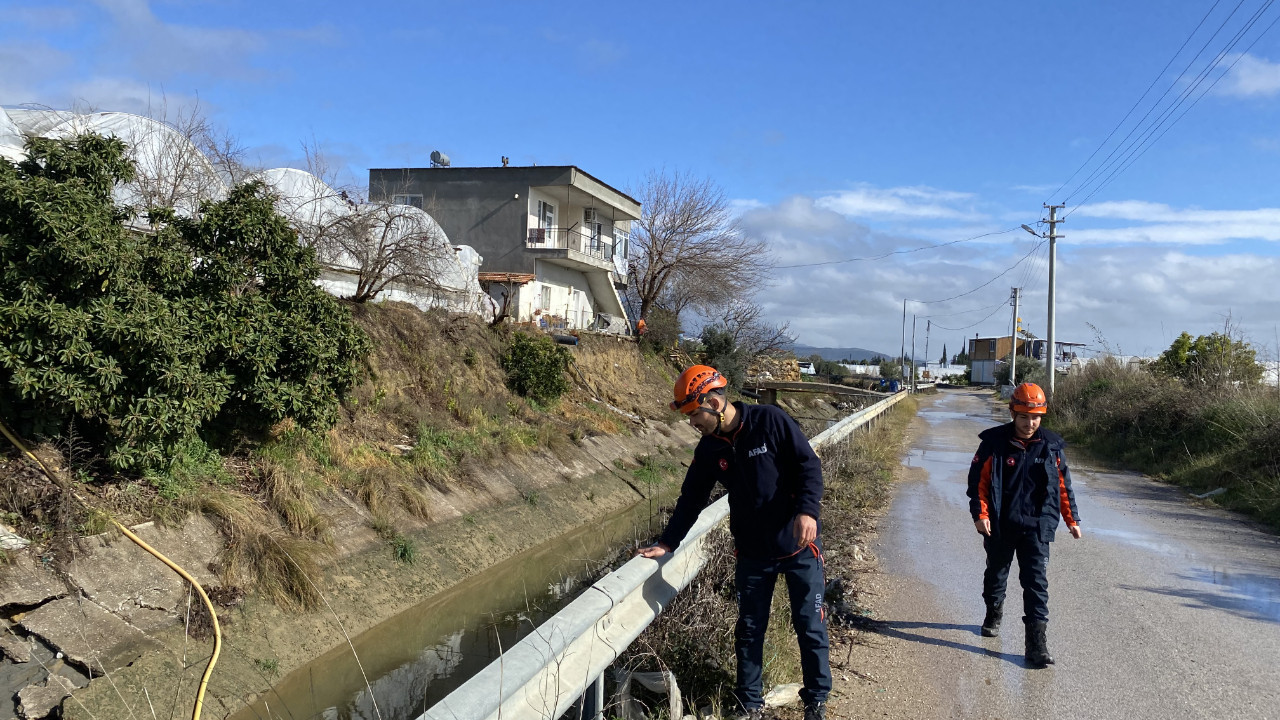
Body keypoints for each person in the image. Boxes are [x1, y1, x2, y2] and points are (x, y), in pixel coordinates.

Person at [637, 365, 830, 720]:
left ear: (713, 402)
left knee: (809, 624)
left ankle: (816, 700)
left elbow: (808, 466)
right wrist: (667, 542)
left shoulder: (770, 420)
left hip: (798, 545)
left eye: (694, 414)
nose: (692, 423)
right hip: (753, 553)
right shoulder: (710, 449)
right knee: (750, 629)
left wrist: (807, 511)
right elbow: (691, 498)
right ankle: (750, 704)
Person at [967, 382, 1083, 667]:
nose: (1030, 423)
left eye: (1035, 417)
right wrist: (980, 515)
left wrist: (1072, 519)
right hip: (1000, 524)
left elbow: (1063, 487)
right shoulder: (994, 443)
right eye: (1023, 417)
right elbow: (978, 484)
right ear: (1012, 413)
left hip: (1037, 526)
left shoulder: (1051, 446)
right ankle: (993, 613)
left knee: (1036, 585)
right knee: (996, 575)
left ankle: (1037, 646)